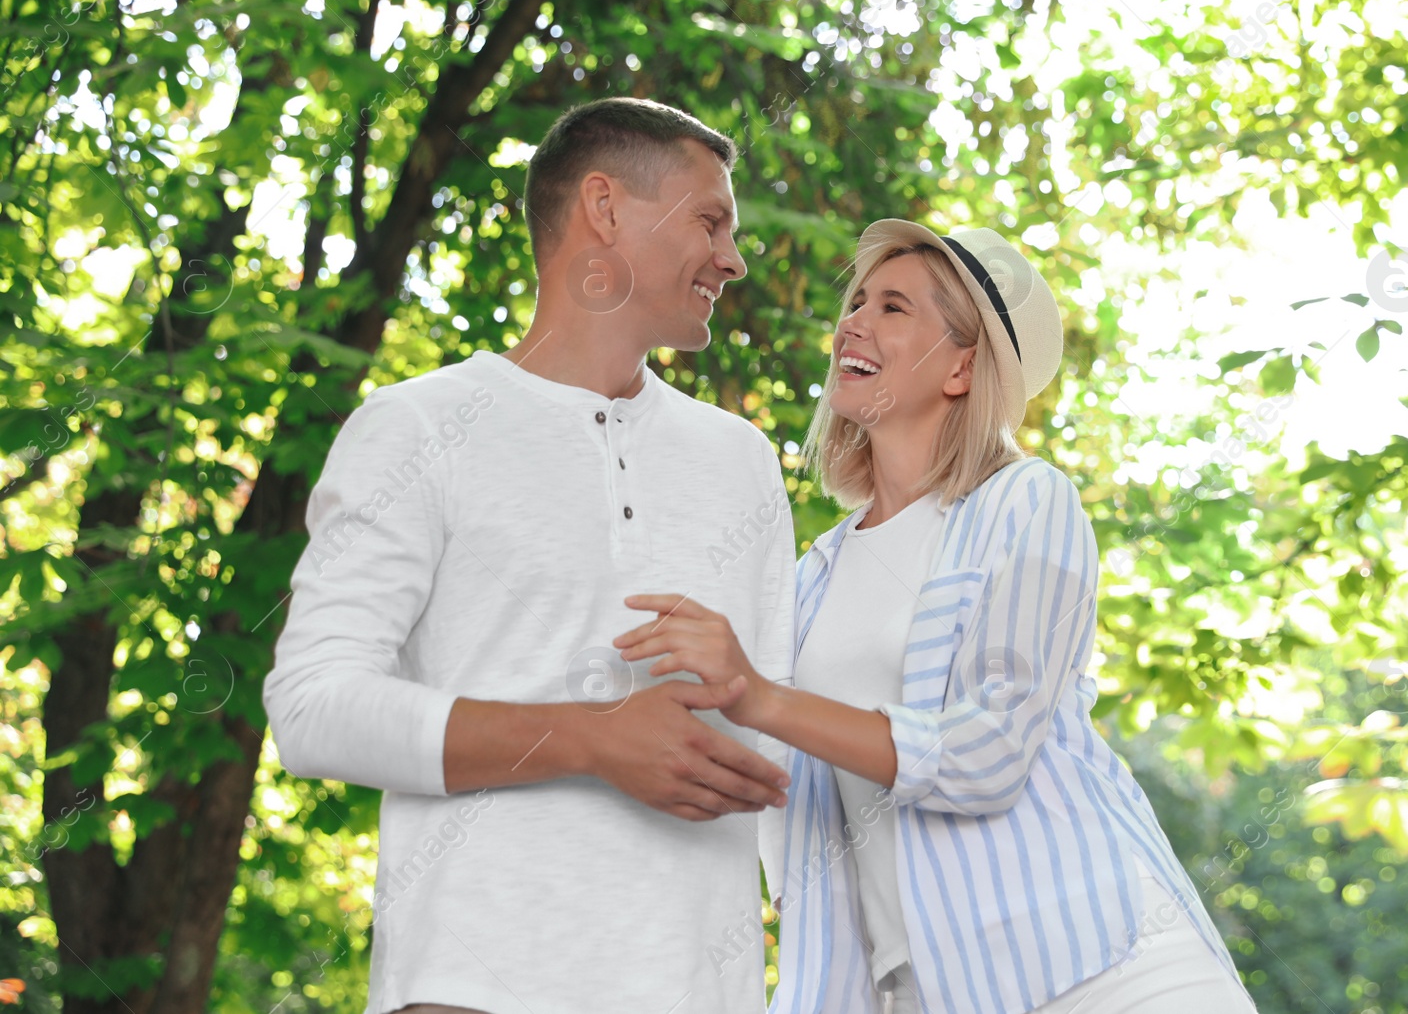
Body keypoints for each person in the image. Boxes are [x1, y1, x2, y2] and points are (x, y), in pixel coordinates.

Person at [614, 220, 1260, 1013]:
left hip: (1103, 968)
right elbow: (779, 801)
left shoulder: (1024, 502)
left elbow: (987, 751)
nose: (852, 320)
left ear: (961, 364)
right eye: (855, 301)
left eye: (892, 307)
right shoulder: (812, 578)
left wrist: (761, 696)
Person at [262, 97, 797, 1014]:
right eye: (711, 220)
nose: (733, 258)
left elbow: (778, 749)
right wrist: (589, 738)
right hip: (475, 988)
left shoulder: (741, 462)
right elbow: (313, 706)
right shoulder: (415, 428)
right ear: (606, 207)